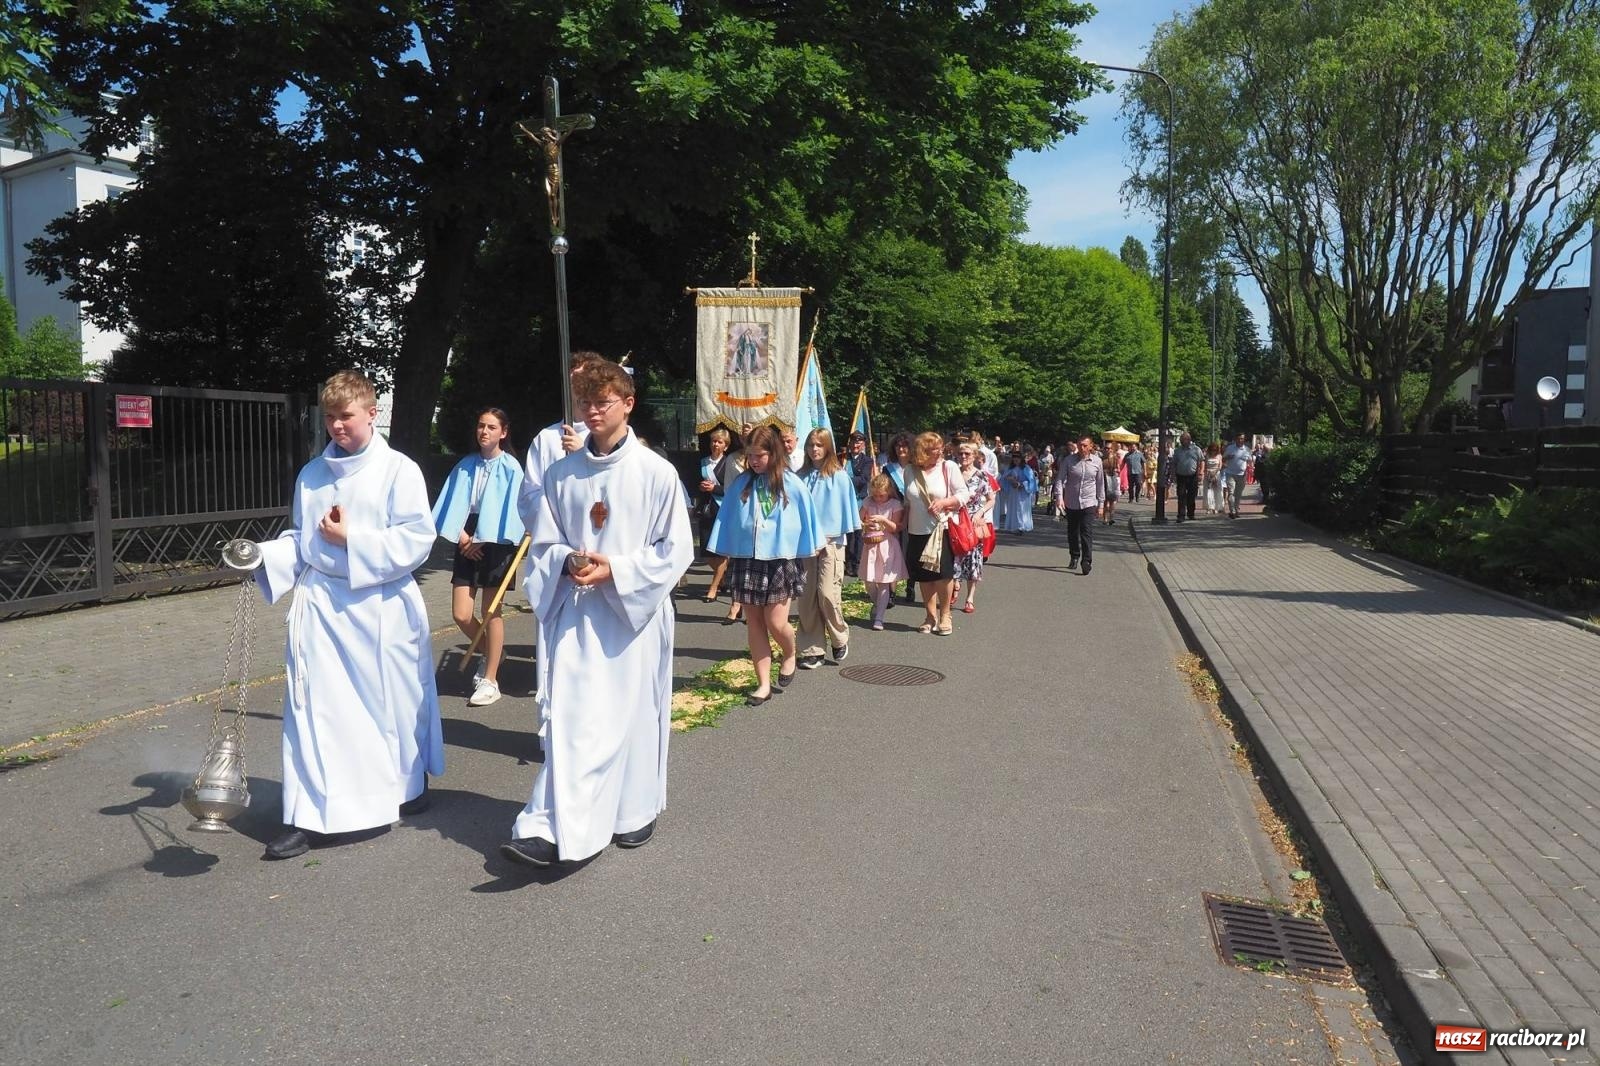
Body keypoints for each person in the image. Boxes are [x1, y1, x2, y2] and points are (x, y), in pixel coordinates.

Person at [501, 358, 695, 869]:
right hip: (578, 615)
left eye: (601, 401)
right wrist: (566, 560)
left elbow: (676, 550)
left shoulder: (656, 473)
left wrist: (620, 570)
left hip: (633, 618)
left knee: (631, 717)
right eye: (584, 401)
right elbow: (543, 544)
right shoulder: (561, 474)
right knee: (574, 721)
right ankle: (546, 828)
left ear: (627, 403)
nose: (591, 410)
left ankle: (633, 811)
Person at [251, 370, 444, 860]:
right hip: (322, 607)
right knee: (314, 710)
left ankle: (404, 783)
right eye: (331, 418)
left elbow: (418, 540)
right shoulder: (312, 474)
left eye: (347, 417)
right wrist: (263, 556)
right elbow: (302, 539)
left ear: (372, 413)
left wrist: (352, 540)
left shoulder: (399, 470)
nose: (338, 427)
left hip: (380, 606)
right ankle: (312, 815)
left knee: (392, 706)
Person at [706, 425, 821, 704]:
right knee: (754, 622)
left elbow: (806, 517)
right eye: (750, 456)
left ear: (774, 452)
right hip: (748, 560)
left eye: (760, 455)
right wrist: (726, 546)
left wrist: (809, 547)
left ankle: (790, 652)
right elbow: (728, 518)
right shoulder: (741, 484)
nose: (754, 461)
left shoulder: (792, 484)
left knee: (775, 620)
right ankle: (763, 684)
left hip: (779, 559)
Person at [432, 406, 527, 707]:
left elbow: (515, 510)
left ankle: (490, 679)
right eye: (480, 426)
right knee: (461, 612)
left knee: (490, 611)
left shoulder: (511, 467)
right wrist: (462, 537)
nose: (484, 431)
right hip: (467, 535)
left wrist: (485, 538)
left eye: (490, 427)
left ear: (503, 432)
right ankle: (491, 651)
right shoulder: (465, 465)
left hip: (496, 540)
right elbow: (449, 504)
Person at [796, 428, 861, 669]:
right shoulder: (800, 476)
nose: (814, 449)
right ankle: (812, 648)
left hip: (830, 543)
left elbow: (844, 514)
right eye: (811, 445)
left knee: (826, 594)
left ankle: (838, 635)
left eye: (819, 445)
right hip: (805, 546)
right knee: (806, 598)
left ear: (828, 448)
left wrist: (825, 538)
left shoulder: (838, 476)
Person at [904, 431, 969, 635]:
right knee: (924, 576)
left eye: (941, 448)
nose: (940, 452)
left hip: (941, 528)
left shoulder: (948, 467)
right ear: (922, 451)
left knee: (942, 575)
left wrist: (944, 503)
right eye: (934, 449)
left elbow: (964, 493)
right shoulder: (909, 471)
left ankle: (945, 615)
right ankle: (929, 616)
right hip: (916, 530)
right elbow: (907, 501)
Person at [858, 473, 906, 630]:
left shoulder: (894, 504)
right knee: (869, 580)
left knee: (884, 580)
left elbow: (896, 527)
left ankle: (879, 617)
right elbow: (859, 520)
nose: (878, 499)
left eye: (882, 495)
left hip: (887, 545)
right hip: (871, 545)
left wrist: (883, 520)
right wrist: (866, 525)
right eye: (875, 495)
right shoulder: (867, 501)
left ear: (888, 492)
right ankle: (878, 604)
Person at [952, 438, 994, 613]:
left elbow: (992, 499)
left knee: (974, 560)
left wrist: (980, 512)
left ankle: (970, 598)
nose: (963, 456)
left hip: (974, 521)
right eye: (960, 453)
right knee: (955, 557)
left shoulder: (982, 476)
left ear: (975, 456)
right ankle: (954, 585)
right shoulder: (953, 473)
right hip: (956, 520)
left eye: (967, 453)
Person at [880, 432, 918, 606]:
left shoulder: (918, 467)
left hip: (916, 515)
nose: (901, 449)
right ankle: (891, 593)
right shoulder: (888, 469)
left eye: (904, 446)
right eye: (898, 446)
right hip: (895, 515)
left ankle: (911, 586)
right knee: (893, 553)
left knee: (912, 552)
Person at [698, 427, 733, 601]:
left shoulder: (729, 463)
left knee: (720, 552)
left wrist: (715, 488)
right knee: (706, 553)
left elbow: (732, 488)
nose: (716, 444)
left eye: (720, 442)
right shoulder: (703, 462)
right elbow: (693, 484)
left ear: (725, 446)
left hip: (722, 509)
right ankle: (725, 577)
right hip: (706, 509)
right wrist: (701, 488)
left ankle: (713, 588)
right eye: (714, 441)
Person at [1060, 435, 1104, 575]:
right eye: (1080, 445)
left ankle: (1086, 561)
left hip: (1089, 502)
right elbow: (1060, 480)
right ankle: (1074, 555)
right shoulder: (1069, 461)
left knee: (1086, 531)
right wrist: (1059, 498)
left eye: (1085, 445)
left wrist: (1101, 504)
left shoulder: (1097, 462)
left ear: (1091, 446)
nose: (1082, 448)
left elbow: (1100, 483)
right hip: (1072, 501)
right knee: (1073, 531)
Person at [845, 431, 873, 577]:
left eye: (859, 443)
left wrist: (846, 479)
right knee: (847, 533)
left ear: (863, 445)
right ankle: (847, 562)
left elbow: (864, 478)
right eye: (853, 442)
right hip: (845, 500)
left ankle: (857, 563)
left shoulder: (867, 461)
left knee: (858, 533)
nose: (855, 445)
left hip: (859, 499)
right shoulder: (842, 459)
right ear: (849, 443)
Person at [1170, 431, 1205, 521]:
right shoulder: (1177, 451)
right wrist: (1173, 475)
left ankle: (1191, 514)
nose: (1182, 441)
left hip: (1192, 476)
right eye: (1181, 440)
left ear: (1189, 440)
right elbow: (1174, 463)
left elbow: (1201, 461)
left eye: (1184, 439)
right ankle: (1181, 516)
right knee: (1181, 496)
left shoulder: (1196, 449)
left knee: (1191, 496)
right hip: (1181, 476)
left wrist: (1201, 473)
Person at [1223, 432, 1253, 518]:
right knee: (1231, 493)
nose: (1240, 440)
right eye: (1239, 438)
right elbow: (1223, 458)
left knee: (1238, 494)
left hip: (1242, 475)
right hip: (1230, 473)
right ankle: (1232, 511)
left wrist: (1250, 469)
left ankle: (1236, 510)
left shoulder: (1247, 450)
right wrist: (1228, 457)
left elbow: (1250, 461)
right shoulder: (1230, 448)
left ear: (1244, 440)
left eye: (1242, 439)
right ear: (1236, 439)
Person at [1100, 441, 1121, 525]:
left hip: (1112, 479)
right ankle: (1105, 519)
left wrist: (1115, 470)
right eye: (1106, 448)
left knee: (1112, 500)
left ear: (1112, 449)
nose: (1107, 450)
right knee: (1105, 501)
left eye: (1109, 448)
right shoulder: (1101, 459)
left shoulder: (1115, 458)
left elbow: (1118, 469)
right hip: (1103, 480)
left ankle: (1111, 518)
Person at [1203, 442, 1224, 515]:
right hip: (1208, 474)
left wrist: (1215, 473)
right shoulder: (1207, 456)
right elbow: (1205, 465)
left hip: (1216, 474)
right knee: (1208, 491)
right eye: (1212, 450)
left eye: (1215, 450)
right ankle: (1209, 508)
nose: (1213, 451)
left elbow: (1220, 466)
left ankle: (1216, 507)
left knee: (1217, 491)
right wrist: (1206, 474)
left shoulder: (1219, 456)